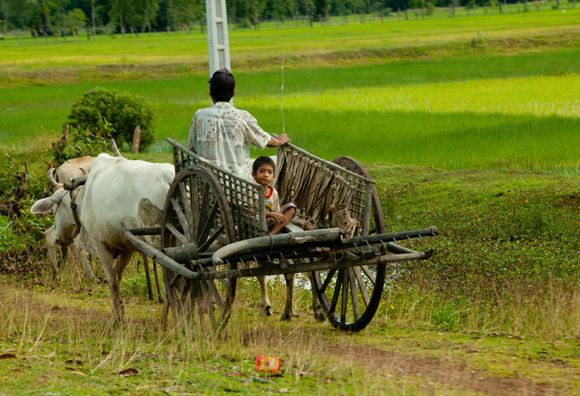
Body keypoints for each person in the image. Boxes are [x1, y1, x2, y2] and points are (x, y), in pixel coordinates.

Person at [187, 68, 290, 180]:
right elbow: (264, 140)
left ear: (210, 93)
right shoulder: (243, 117)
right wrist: (279, 140)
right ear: (233, 94)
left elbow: (190, 148)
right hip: (238, 185)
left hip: (206, 182)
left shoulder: (199, 116)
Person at [252, 156, 296, 235]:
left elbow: (276, 211)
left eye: (269, 172)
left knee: (291, 208)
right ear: (254, 174)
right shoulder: (251, 191)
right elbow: (250, 214)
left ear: (273, 176)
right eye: (262, 171)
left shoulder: (273, 192)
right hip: (256, 224)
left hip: (271, 223)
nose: (266, 175)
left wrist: (274, 215)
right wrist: (269, 214)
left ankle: (272, 234)